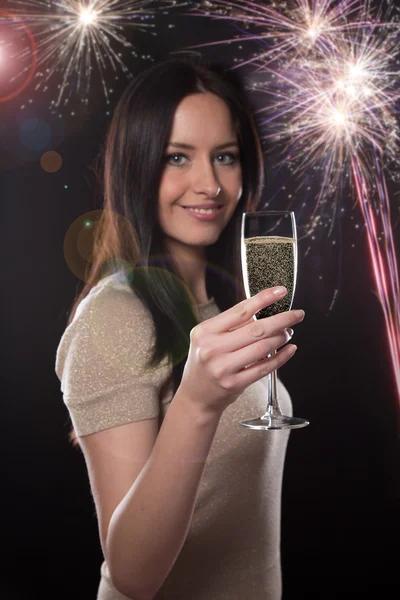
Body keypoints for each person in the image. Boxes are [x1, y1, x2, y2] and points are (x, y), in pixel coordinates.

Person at [55, 53, 305, 600]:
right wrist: (196, 403)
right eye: (176, 157)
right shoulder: (113, 317)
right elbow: (132, 574)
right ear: (137, 167)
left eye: (224, 156)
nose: (209, 183)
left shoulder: (216, 312)